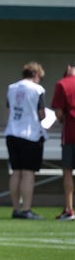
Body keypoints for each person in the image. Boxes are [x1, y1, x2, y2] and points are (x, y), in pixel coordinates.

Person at [4, 61, 47, 220]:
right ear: (36, 74)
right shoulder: (37, 89)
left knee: (16, 172)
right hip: (30, 134)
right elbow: (42, 114)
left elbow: (9, 110)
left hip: (12, 132)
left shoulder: (12, 88)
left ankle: (16, 209)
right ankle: (26, 209)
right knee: (28, 173)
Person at [51, 63, 75, 221]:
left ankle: (69, 208)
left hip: (71, 132)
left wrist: (61, 119)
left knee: (67, 170)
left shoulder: (63, 84)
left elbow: (59, 113)